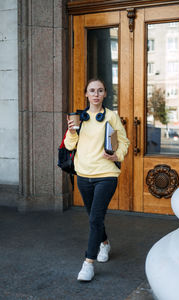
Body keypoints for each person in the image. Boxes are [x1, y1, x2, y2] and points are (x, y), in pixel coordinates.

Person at [64, 78, 130, 281]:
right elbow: (68, 145)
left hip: (106, 175)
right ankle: (104, 244)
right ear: (86, 94)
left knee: (94, 218)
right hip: (83, 175)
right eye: (92, 90)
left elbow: (124, 141)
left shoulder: (111, 116)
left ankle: (88, 264)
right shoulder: (79, 118)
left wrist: (116, 155)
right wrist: (72, 132)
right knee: (94, 217)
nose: (96, 94)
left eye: (100, 90)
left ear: (105, 94)